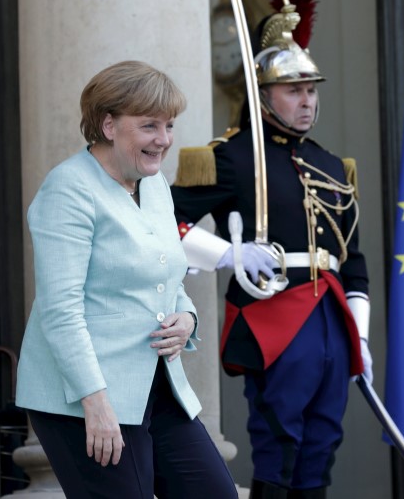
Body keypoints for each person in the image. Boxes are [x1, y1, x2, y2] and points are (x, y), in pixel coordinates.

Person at [171, 0, 372, 499]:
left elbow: (353, 260)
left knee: (323, 444)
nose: (307, 101)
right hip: (274, 314)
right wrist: (226, 255)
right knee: (280, 440)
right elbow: (163, 223)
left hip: (331, 318)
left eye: (312, 90)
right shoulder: (233, 157)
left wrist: (362, 336)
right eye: (293, 91)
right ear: (263, 96)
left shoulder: (332, 165)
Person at [15, 60, 238, 498]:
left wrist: (187, 318)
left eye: (169, 125)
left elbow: (168, 273)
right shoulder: (67, 190)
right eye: (150, 126)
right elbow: (60, 311)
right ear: (109, 124)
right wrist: (95, 404)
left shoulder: (153, 185)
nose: (164, 140)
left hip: (157, 387)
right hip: (84, 397)